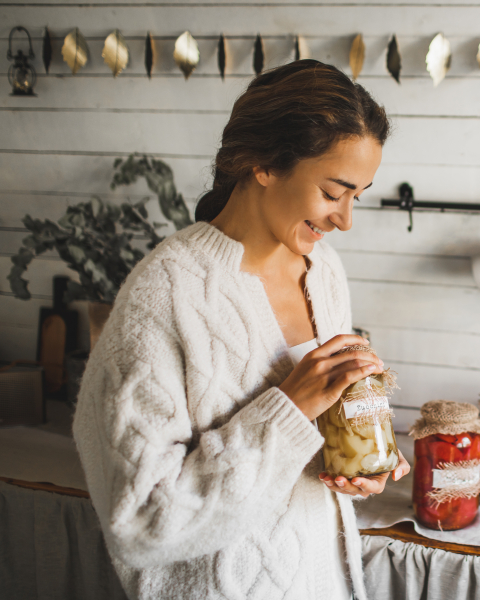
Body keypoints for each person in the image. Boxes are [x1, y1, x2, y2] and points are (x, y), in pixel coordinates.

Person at [72, 59, 409, 600]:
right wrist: (290, 409)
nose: (346, 219)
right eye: (332, 192)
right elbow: (138, 522)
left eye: (358, 196)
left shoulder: (325, 273)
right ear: (263, 165)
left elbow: (305, 446)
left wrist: (356, 458)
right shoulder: (164, 293)